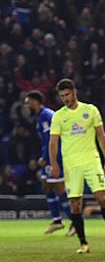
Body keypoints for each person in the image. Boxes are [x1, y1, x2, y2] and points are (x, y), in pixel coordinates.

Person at [49, 78, 105, 254]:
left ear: (74, 92)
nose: (65, 99)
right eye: (61, 96)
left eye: (67, 94)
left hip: (92, 161)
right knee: (75, 204)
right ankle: (83, 243)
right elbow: (53, 142)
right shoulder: (59, 116)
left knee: (102, 198)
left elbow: (102, 137)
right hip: (71, 165)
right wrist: (54, 164)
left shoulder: (90, 110)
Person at [24, 90, 75, 236]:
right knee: (47, 187)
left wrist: (46, 158)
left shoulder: (47, 116)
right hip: (50, 157)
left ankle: (75, 222)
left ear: (35, 102)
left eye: (28, 103)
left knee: (59, 189)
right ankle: (57, 220)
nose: (27, 106)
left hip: (56, 157)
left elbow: (51, 141)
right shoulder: (41, 116)